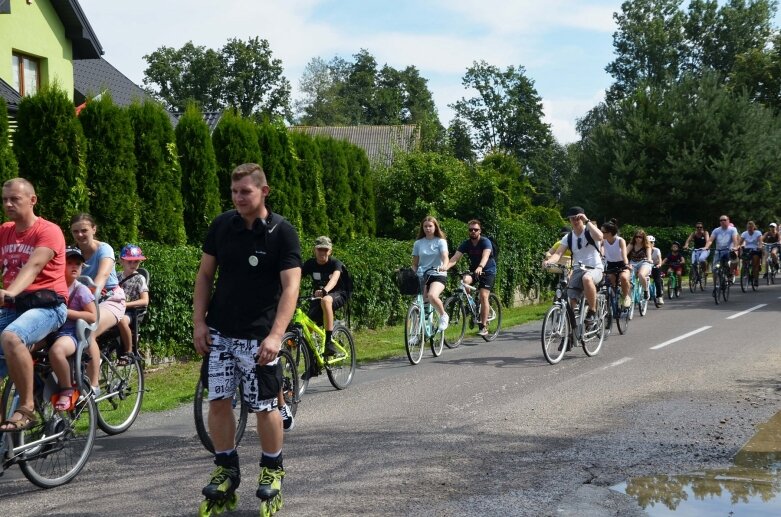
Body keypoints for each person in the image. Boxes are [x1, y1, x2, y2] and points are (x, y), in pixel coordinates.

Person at [193, 163, 301, 512]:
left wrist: (276, 335)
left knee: (266, 405)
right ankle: (226, 469)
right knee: (219, 401)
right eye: (234, 191)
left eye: (246, 192)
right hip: (221, 333)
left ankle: (272, 470)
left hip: (260, 337)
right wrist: (199, 322)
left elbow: (291, 287)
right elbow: (204, 275)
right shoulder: (222, 226)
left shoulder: (282, 232)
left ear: (264, 191)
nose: (239, 198)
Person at [0, 178, 68, 431]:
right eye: (5, 199)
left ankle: (26, 408)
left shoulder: (48, 230)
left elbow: (34, 266)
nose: (8, 204)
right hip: (14, 307)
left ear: (32, 200)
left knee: (11, 337)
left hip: (47, 306)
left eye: (14, 199)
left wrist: (9, 292)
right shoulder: (4, 231)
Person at [70, 213, 126, 396]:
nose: (80, 235)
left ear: (94, 229)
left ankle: (93, 387)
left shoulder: (105, 250)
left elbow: (101, 276)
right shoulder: (72, 253)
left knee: (87, 331)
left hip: (110, 299)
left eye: (84, 230)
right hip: (85, 303)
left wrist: (95, 289)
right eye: (75, 231)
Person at [46, 247, 97, 410]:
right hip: (50, 331)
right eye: (69, 263)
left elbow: (92, 316)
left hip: (71, 333)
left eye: (78, 263)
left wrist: (67, 312)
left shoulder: (80, 290)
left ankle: (67, 389)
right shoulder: (52, 287)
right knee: (21, 345)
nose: (74, 266)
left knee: (57, 351)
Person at [542, 207, 604, 326]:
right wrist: (549, 261)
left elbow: (600, 237)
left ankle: (592, 311)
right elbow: (558, 253)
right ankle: (572, 332)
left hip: (595, 268)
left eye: (578, 218)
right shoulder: (568, 237)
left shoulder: (590, 231)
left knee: (587, 278)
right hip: (578, 269)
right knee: (571, 298)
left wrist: (587, 221)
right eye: (572, 219)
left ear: (582, 218)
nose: (575, 221)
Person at [445, 219, 496, 336]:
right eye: (471, 230)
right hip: (475, 271)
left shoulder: (485, 242)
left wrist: (481, 266)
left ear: (480, 231)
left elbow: (486, 255)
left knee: (483, 296)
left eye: (476, 229)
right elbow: (455, 258)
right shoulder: (466, 243)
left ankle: (483, 326)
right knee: (465, 280)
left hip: (487, 271)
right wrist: (444, 268)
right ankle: (471, 305)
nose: (473, 231)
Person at [302, 236, 349, 358]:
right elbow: (295, 278)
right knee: (307, 327)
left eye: (325, 250)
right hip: (318, 297)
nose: (323, 252)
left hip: (338, 293)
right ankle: (312, 361)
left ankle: (329, 342)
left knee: (326, 300)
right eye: (320, 249)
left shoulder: (335, 263)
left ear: (330, 251)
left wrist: (325, 290)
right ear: (315, 250)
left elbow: (334, 279)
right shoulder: (310, 264)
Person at [412, 217, 449, 332]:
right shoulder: (418, 243)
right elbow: (415, 263)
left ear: (435, 227)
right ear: (422, 228)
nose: (427, 228)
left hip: (438, 273)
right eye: (425, 226)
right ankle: (415, 333)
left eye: (430, 226)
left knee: (432, 296)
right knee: (417, 305)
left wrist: (444, 265)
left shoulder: (440, 241)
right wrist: (412, 272)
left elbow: (445, 257)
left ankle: (443, 315)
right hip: (422, 275)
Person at [115, 244, 149, 365]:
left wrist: (126, 305)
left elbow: (145, 301)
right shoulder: (116, 276)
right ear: (121, 261)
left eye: (136, 262)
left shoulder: (140, 279)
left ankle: (129, 352)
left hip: (132, 312)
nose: (133, 265)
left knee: (121, 320)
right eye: (129, 262)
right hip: (114, 308)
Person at [600, 219, 631, 308]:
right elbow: (599, 250)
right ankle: (615, 295)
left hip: (622, 264)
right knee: (611, 281)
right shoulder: (603, 241)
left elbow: (624, 254)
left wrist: (626, 264)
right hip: (610, 264)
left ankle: (626, 297)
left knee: (624, 278)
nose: (601, 233)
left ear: (609, 233)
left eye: (603, 232)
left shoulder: (620, 240)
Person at [704, 215, 739, 285]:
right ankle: (715, 287)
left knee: (735, 260)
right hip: (719, 252)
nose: (722, 221)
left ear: (728, 221)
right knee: (715, 269)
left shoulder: (732, 229)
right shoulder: (716, 230)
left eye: (724, 220)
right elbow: (710, 240)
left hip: (729, 251)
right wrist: (706, 247)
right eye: (721, 220)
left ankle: (731, 273)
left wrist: (735, 247)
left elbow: (735, 239)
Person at [626, 230, 653, 301]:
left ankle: (646, 290)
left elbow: (649, 255)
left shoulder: (647, 245)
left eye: (640, 237)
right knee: (627, 279)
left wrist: (649, 259)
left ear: (643, 238)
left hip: (644, 262)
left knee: (641, 275)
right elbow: (624, 253)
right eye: (636, 237)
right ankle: (627, 299)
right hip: (633, 263)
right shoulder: (631, 244)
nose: (638, 238)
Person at [739, 220, 763, 286]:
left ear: (753, 227)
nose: (749, 228)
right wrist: (738, 246)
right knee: (744, 261)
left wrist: (760, 246)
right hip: (747, 249)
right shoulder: (744, 233)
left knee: (755, 264)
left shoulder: (758, 233)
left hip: (755, 249)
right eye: (748, 227)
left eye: (751, 227)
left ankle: (756, 279)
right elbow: (740, 243)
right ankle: (746, 272)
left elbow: (760, 241)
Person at [648, 235, 664, 305]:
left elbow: (659, 258)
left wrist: (659, 264)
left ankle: (659, 297)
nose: (650, 244)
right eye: (648, 242)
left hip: (656, 266)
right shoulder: (644, 250)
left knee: (657, 280)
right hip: (647, 266)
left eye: (652, 242)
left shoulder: (657, 250)